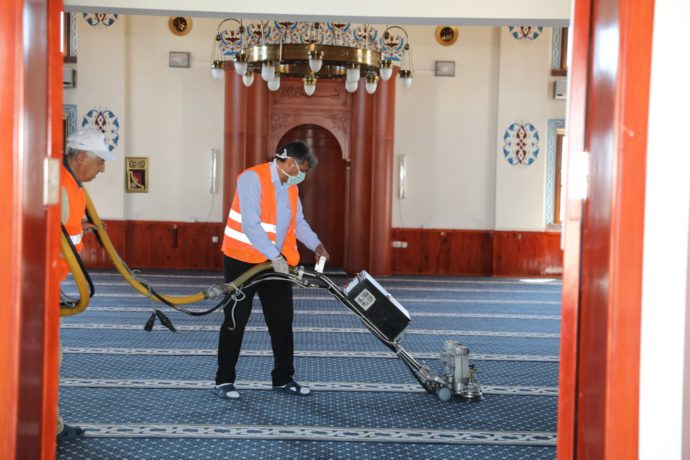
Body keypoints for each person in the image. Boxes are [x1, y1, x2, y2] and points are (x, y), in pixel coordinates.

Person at [215, 141, 329, 399]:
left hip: (275, 264)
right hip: (242, 261)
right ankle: (224, 380)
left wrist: (316, 244)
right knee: (236, 320)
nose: (302, 175)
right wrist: (274, 255)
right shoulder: (251, 179)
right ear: (289, 163)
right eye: (301, 169)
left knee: (282, 321)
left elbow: (298, 222)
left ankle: (283, 378)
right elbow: (251, 225)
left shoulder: (291, 187)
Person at [56, 126, 115, 441]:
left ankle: (50, 425)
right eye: (100, 161)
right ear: (79, 157)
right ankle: (46, 428)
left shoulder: (73, 186)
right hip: (41, 289)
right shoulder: (61, 185)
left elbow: (62, 227)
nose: (103, 168)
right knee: (49, 356)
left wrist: (82, 224)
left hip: (54, 283)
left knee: (51, 356)